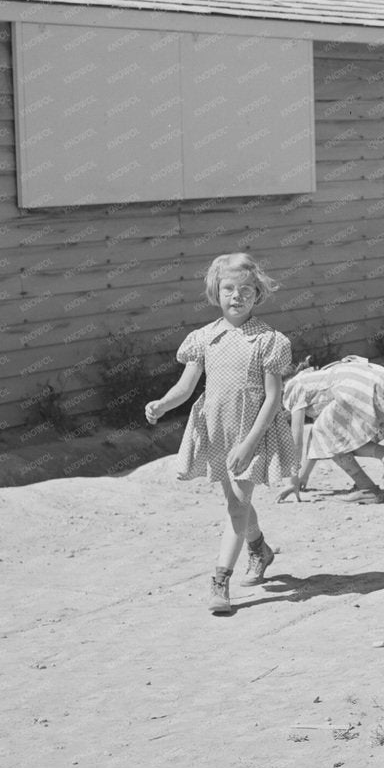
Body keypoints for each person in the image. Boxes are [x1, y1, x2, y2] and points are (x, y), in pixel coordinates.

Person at [145, 253, 298, 615]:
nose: (237, 296)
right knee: (235, 503)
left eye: (246, 290)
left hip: (252, 431)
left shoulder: (269, 341)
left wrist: (248, 443)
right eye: (229, 288)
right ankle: (259, 549)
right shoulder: (204, 338)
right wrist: (163, 404)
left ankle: (220, 581)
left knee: (237, 505)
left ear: (257, 295)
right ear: (216, 291)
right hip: (216, 430)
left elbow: (274, 398)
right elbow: (185, 387)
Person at [276, 356, 384, 504]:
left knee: (333, 443)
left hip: (354, 389)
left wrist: (292, 481)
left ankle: (368, 487)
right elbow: (317, 438)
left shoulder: (292, 388)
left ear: (279, 384)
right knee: (334, 438)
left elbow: (296, 439)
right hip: (376, 380)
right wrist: (302, 476)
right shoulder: (312, 379)